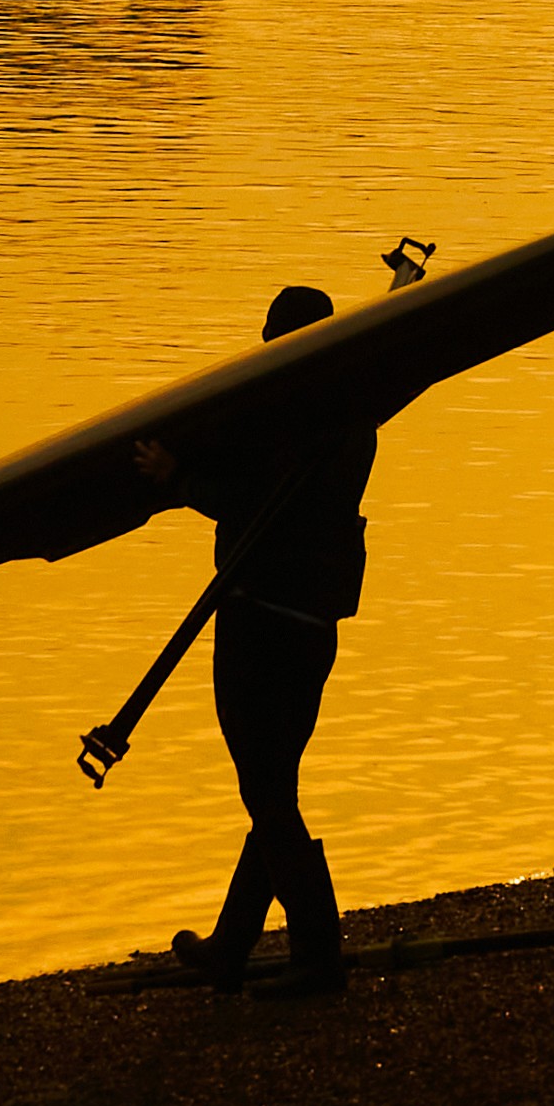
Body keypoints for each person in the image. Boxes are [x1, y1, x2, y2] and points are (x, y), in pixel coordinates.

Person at [135, 282, 372, 993]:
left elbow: (256, 498)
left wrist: (177, 477)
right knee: (273, 784)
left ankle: (318, 957)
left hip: (262, 618)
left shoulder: (289, 420)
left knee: (265, 786)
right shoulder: (356, 416)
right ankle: (233, 946)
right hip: (314, 624)